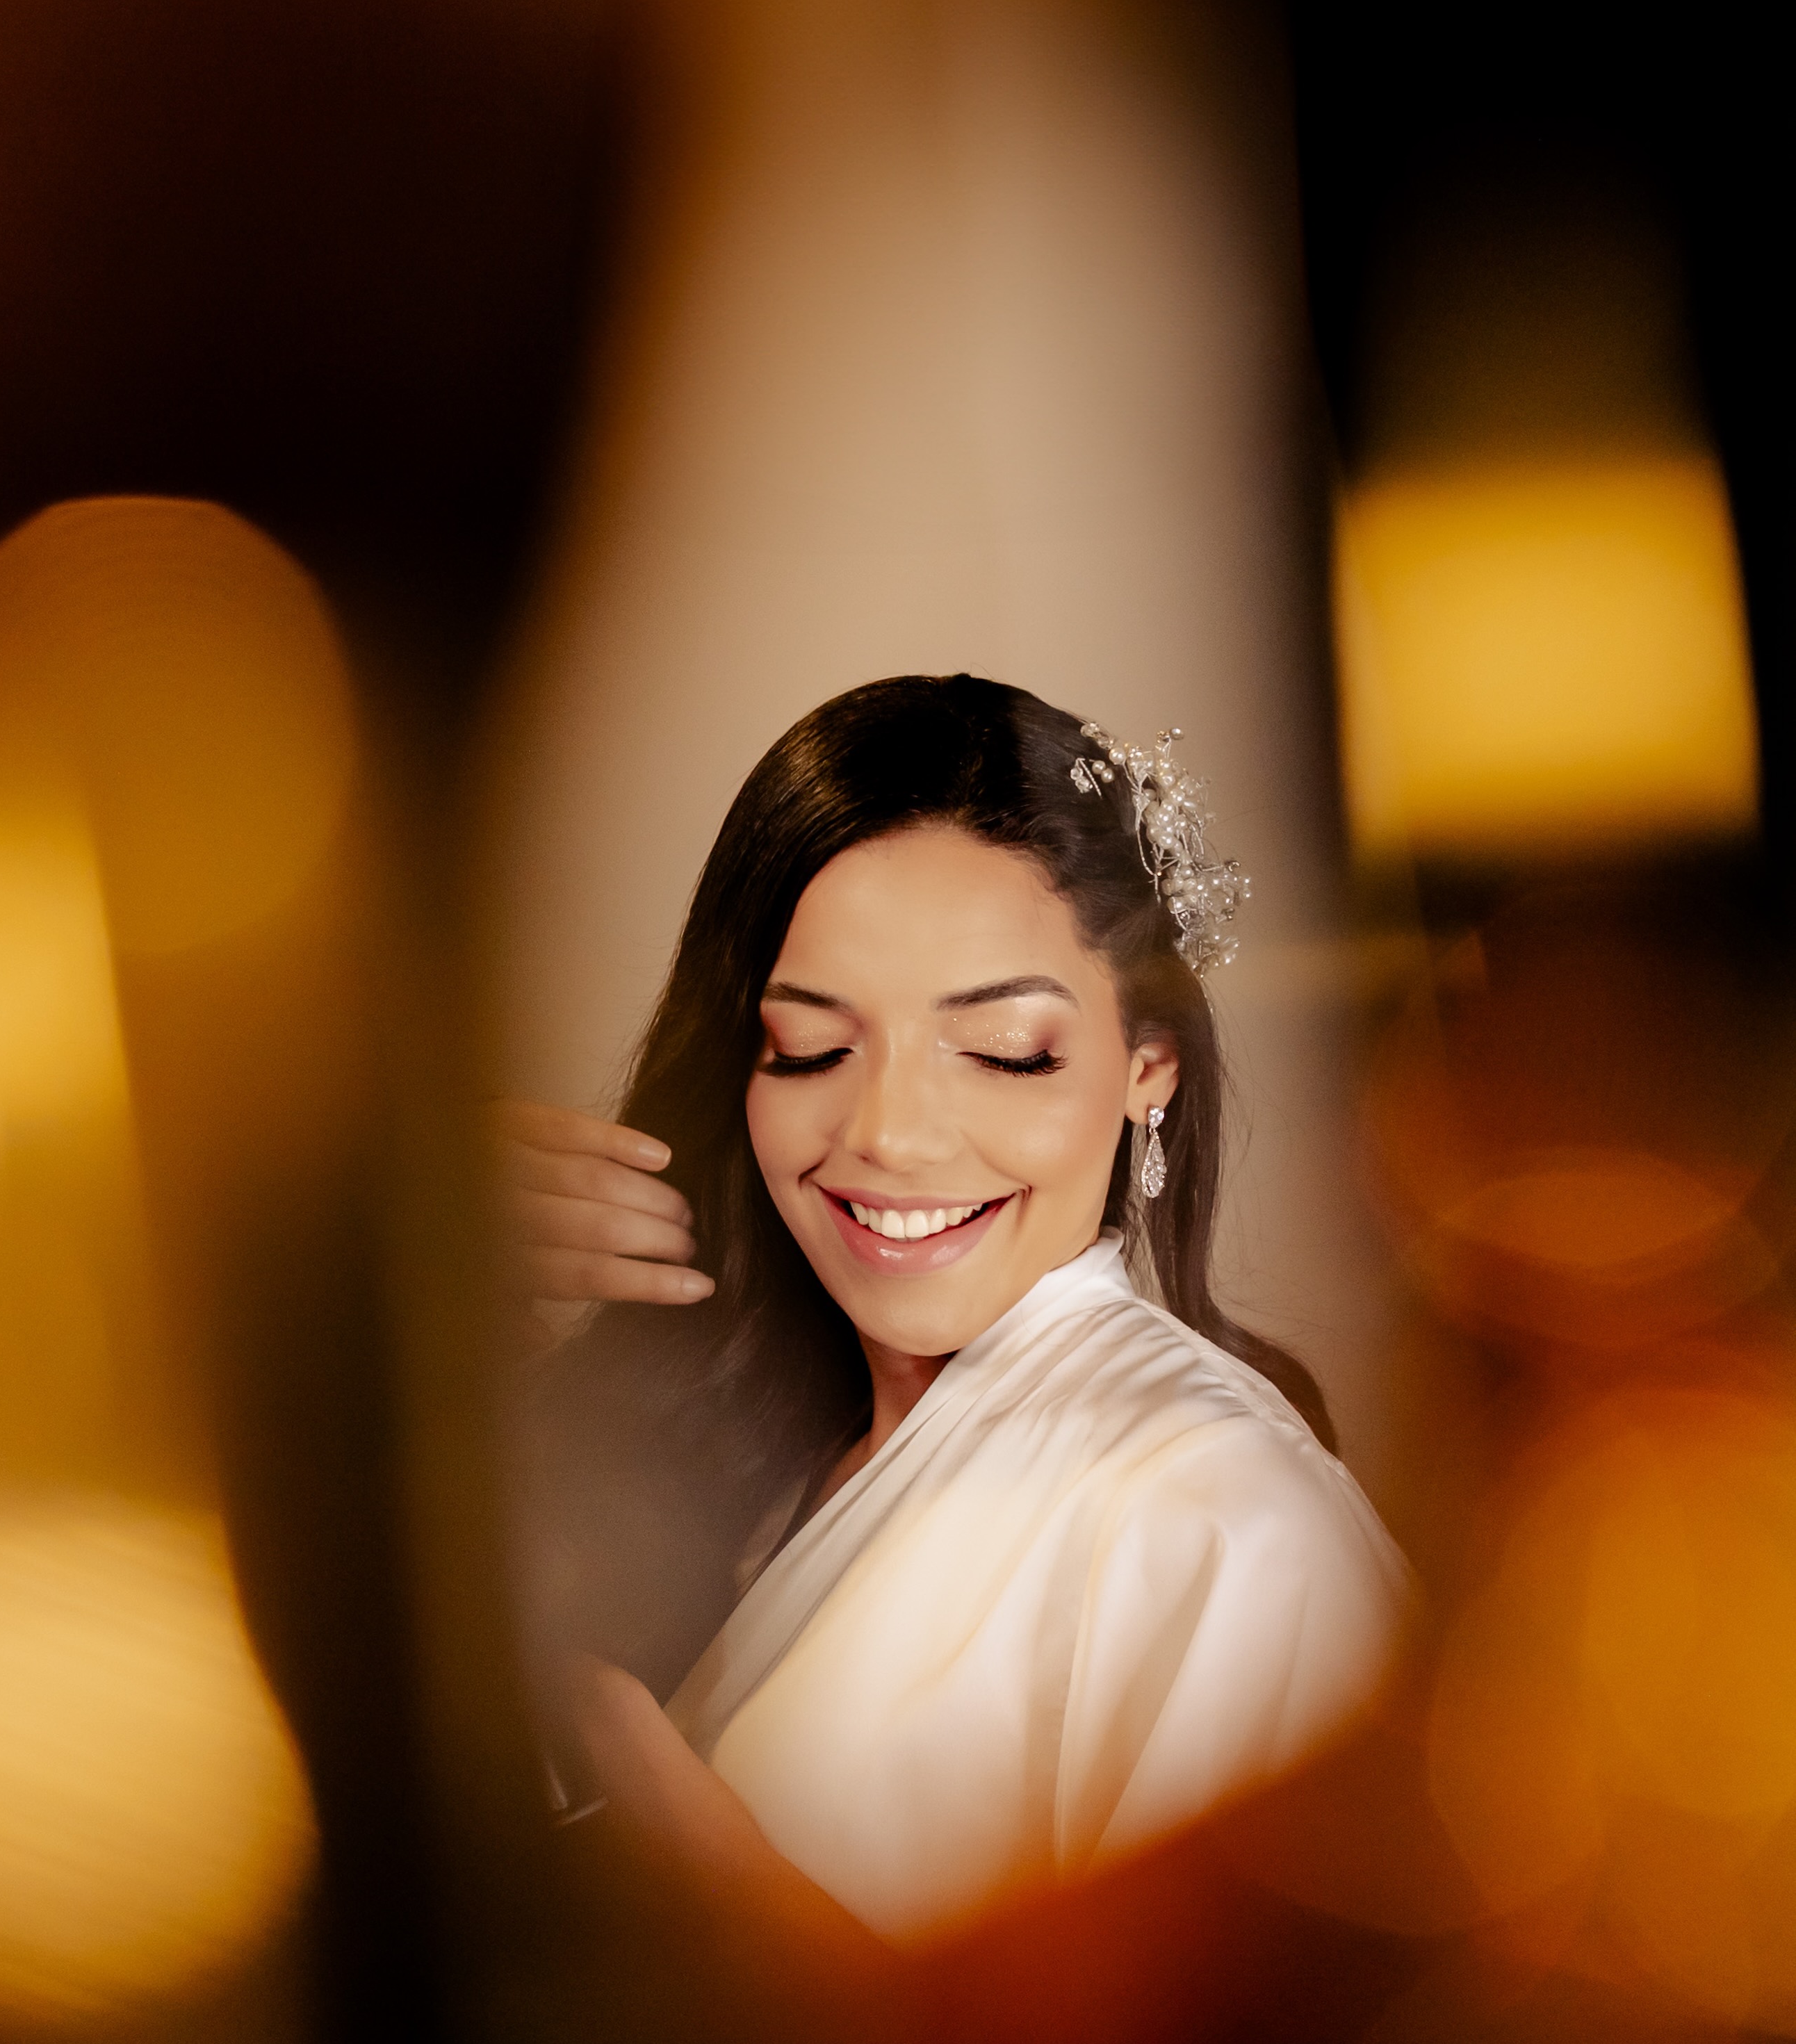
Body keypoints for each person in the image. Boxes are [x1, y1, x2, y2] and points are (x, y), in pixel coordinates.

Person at [503, 673, 1406, 1942]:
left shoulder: (1218, 1516)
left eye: (1006, 1053)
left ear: (1148, 1065)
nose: (891, 1138)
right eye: (812, 1049)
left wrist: (610, 1741)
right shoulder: (737, 1445)